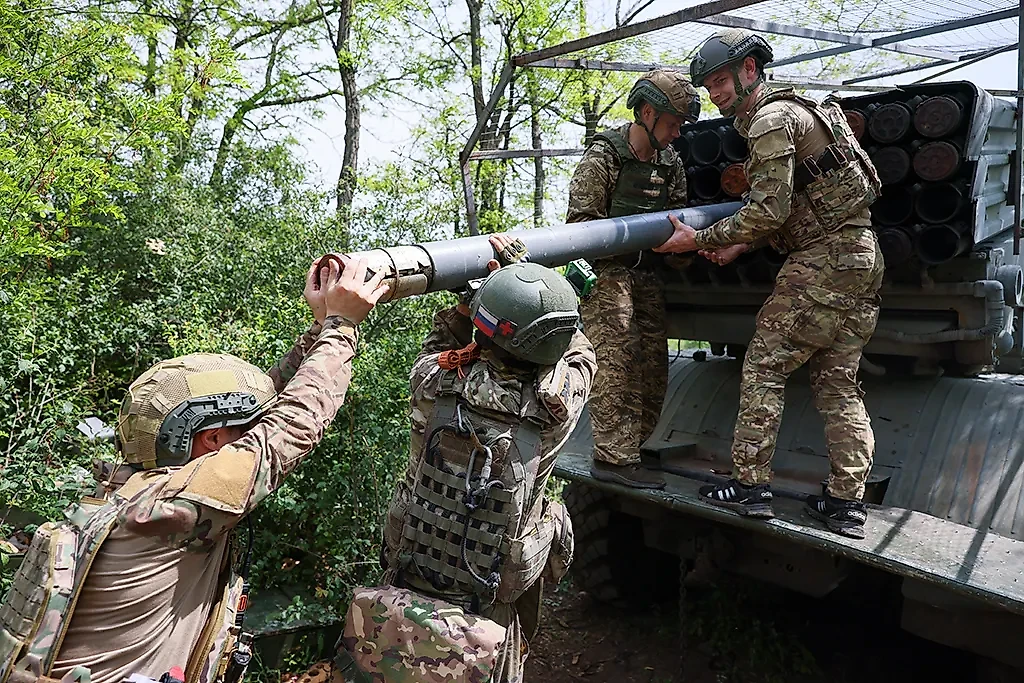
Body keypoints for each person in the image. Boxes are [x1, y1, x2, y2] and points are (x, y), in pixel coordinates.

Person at [0, 257, 389, 683]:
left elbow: (271, 403)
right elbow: (294, 425)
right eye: (245, 428)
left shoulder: (131, 493)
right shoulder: (170, 511)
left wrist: (319, 328)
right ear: (213, 440)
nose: (255, 431)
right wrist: (342, 327)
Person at [321, 235, 596, 683]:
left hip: (409, 576)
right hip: (487, 606)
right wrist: (535, 288)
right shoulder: (554, 411)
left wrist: (476, 302)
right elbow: (580, 354)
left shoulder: (431, 382)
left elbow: (442, 340)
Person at [653, 28, 884, 539]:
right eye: (708, 85)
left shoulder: (769, 119)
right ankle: (847, 503)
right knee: (837, 383)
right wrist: (740, 245)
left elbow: (768, 209)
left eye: (720, 81)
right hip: (861, 254)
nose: (715, 93)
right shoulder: (806, 108)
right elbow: (793, 208)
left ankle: (751, 486)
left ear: (751, 70)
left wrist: (697, 240)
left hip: (823, 258)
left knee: (763, 365)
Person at [565, 69, 701, 490]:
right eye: (672, 123)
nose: (677, 133)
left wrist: (688, 247)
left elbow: (678, 216)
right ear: (646, 113)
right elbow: (581, 227)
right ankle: (614, 458)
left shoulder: (670, 162)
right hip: (606, 273)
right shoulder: (604, 155)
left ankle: (632, 450)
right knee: (617, 365)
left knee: (654, 369)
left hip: (645, 274)